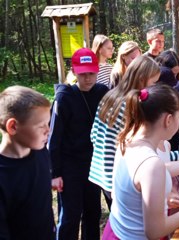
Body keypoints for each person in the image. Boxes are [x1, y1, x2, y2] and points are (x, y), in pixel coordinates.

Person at [104, 84, 179, 239]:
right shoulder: (151, 163)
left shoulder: (128, 139)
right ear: (168, 120)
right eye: (177, 116)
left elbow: (157, 172)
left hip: (115, 231)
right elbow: (155, 232)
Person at [48, 48, 109, 240]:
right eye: (83, 74)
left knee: (93, 212)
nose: (88, 78)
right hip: (70, 166)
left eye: (91, 72)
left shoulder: (103, 92)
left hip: (94, 164)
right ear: (74, 72)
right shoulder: (64, 97)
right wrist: (55, 173)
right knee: (70, 216)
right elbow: (54, 138)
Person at [89, 55, 160, 211]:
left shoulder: (110, 95)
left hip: (98, 171)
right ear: (141, 78)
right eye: (153, 82)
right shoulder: (133, 104)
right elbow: (136, 146)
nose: (154, 87)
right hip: (116, 175)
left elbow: (93, 134)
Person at [0, 86, 55, 239]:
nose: (48, 130)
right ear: (13, 126)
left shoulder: (40, 151)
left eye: (48, 123)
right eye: (41, 125)